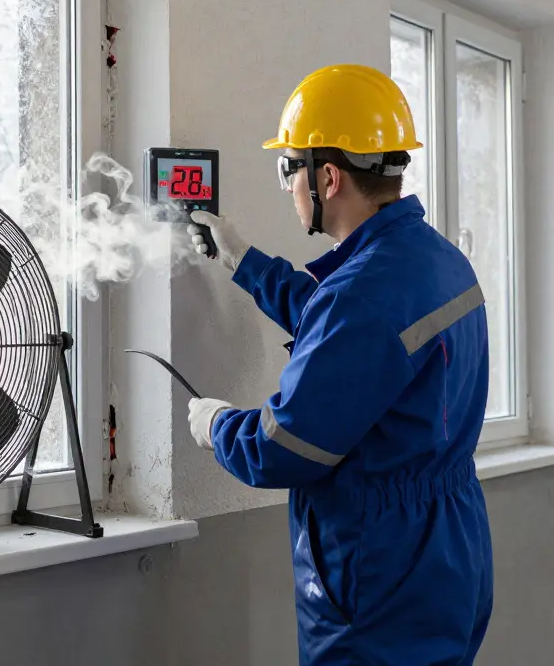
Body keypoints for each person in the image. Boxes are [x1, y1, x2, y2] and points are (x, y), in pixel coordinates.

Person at [187, 64, 494, 665]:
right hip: (451, 549)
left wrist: (217, 425)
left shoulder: (361, 296)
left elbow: (283, 446)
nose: (286, 186)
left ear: (327, 177)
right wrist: (244, 261)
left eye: (288, 168)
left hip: (379, 568)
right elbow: (357, 344)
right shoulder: (437, 262)